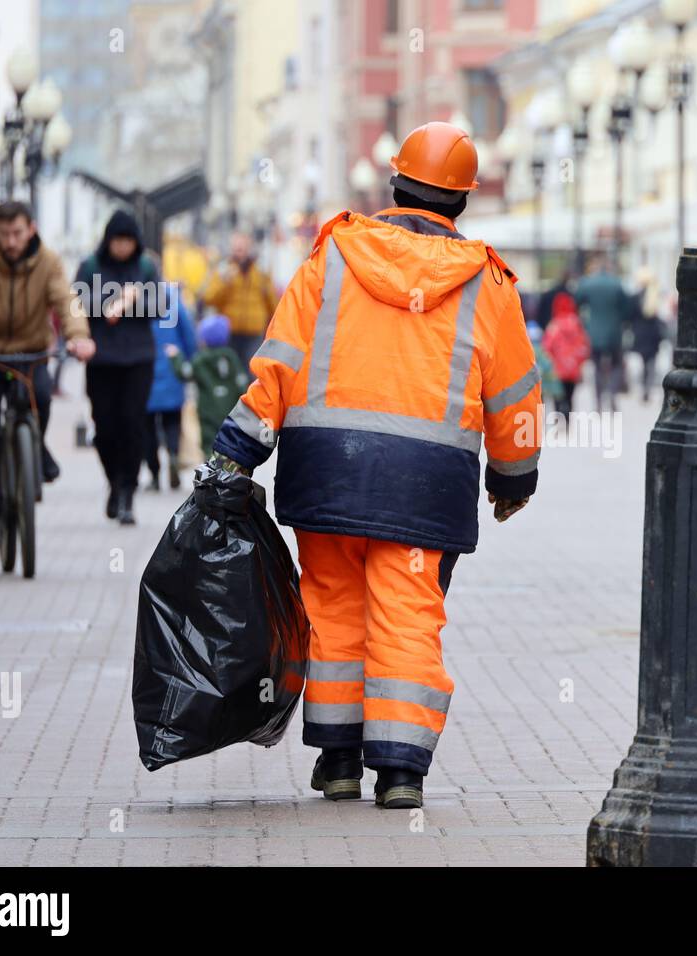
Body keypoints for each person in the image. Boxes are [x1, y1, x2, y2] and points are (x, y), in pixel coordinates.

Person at [210, 121, 542, 810]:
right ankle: (400, 773)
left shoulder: (332, 256)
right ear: (461, 201)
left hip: (325, 471)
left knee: (330, 607)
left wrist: (238, 450)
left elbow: (280, 361)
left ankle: (338, 760)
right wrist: (513, 477)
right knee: (407, 615)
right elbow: (514, 391)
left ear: (393, 184)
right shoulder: (487, 281)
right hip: (425, 486)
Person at [0, 200, 95, 547]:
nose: (10, 241)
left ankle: (35, 450)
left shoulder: (49, 262)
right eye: (3, 234)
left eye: (17, 233)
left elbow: (67, 303)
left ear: (31, 229)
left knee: (40, 397)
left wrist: (79, 338)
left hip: (32, 355)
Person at [75, 210, 161, 525]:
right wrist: (110, 302)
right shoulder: (91, 266)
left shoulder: (146, 267)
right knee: (105, 426)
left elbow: (159, 306)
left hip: (138, 359)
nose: (122, 247)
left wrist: (132, 302)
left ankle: (128, 491)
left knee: (132, 424)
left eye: (127, 241)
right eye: (117, 241)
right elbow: (74, 302)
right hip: (101, 358)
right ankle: (114, 479)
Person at [167, 313, 249, 458]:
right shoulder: (231, 356)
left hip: (208, 410)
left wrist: (175, 358)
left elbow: (185, 372)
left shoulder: (201, 359)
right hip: (230, 410)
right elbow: (242, 382)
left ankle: (211, 469)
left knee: (209, 442)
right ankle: (227, 469)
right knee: (229, 441)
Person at [144, 283, 197, 491]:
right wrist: (190, 362)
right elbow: (189, 333)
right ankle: (174, 454)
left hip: (144, 370)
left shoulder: (135, 300)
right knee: (173, 420)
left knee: (147, 427)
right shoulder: (173, 299)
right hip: (171, 368)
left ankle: (155, 474)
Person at [201, 232, 278, 367]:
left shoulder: (260, 272)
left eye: (242, 249)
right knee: (231, 370)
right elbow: (209, 298)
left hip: (254, 331)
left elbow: (272, 301)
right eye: (237, 249)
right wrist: (224, 282)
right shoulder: (223, 271)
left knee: (252, 371)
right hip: (229, 331)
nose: (240, 253)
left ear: (249, 249)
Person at [574, 253, 630, 413]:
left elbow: (576, 302)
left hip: (594, 332)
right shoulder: (616, 283)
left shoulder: (587, 283)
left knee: (597, 367)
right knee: (617, 365)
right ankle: (612, 393)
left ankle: (598, 401)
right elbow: (627, 308)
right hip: (614, 331)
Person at [542, 291, 589, 418]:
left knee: (558, 396)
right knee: (570, 396)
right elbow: (584, 346)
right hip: (573, 369)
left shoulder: (554, 325)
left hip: (557, 369)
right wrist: (578, 362)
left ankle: (559, 420)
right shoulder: (577, 324)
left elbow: (547, 347)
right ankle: (568, 419)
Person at [629, 266, 665, 404]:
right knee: (652, 363)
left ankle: (644, 387)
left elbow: (630, 316)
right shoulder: (656, 296)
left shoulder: (635, 297)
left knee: (644, 363)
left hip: (640, 334)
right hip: (653, 335)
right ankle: (647, 389)